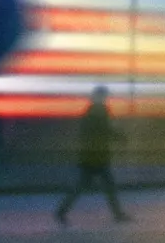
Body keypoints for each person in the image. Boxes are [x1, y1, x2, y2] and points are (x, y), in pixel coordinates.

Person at [55, 86, 131, 226]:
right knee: (107, 186)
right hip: (98, 156)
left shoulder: (89, 111)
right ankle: (118, 214)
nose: (106, 99)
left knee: (83, 186)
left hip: (91, 155)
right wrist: (120, 137)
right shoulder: (100, 111)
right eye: (104, 96)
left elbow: (94, 132)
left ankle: (62, 211)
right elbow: (105, 129)